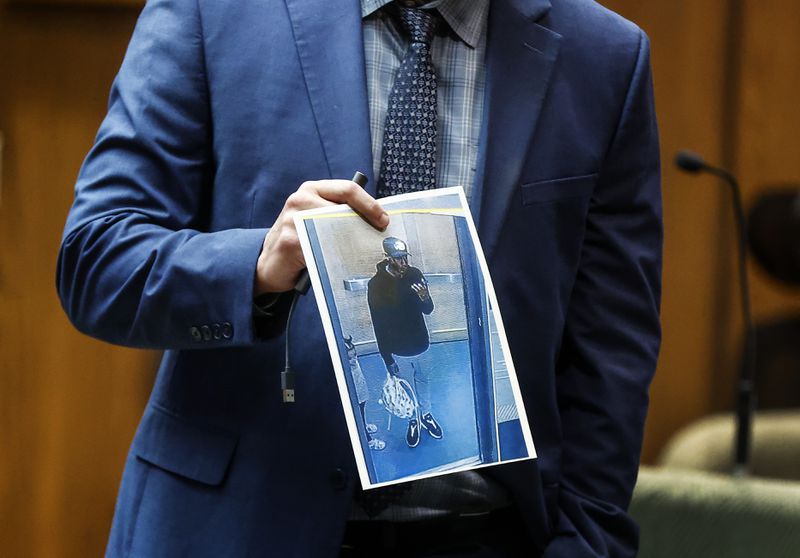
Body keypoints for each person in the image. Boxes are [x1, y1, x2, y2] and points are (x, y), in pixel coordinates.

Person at [56, 0, 662, 556]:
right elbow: (97, 258)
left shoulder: (604, 57)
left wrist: (587, 545)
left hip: (485, 532)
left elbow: (612, 353)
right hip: (238, 525)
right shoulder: (214, 12)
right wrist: (257, 268)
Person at [367, 237, 441, 448]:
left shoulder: (415, 274)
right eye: (398, 259)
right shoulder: (376, 285)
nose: (404, 263)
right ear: (387, 258)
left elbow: (428, 309)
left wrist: (425, 297)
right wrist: (387, 358)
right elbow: (378, 324)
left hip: (422, 344)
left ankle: (425, 415)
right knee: (405, 390)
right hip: (399, 350)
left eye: (405, 258)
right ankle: (412, 420)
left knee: (424, 382)